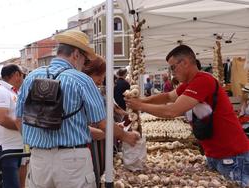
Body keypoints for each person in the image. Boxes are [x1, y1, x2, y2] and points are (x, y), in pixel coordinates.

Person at [16, 30, 140, 188]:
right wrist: (126, 136)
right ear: (76, 54)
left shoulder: (31, 77)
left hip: (39, 159)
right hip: (72, 161)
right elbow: (103, 123)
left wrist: (36, 140)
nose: (84, 64)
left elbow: (19, 119)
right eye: (85, 59)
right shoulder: (81, 80)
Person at [125, 44, 249, 187]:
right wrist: (141, 100)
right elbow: (167, 97)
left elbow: (172, 110)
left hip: (232, 156)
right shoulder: (189, 84)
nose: (172, 73)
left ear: (184, 63)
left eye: (173, 67)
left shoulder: (203, 80)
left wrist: (139, 106)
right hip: (217, 155)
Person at [82, 55, 139, 187]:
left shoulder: (96, 91)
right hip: (90, 143)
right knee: (93, 174)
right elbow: (99, 123)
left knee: (99, 170)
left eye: (103, 76)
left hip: (99, 140)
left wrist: (114, 128)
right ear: (89, 73)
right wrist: (116, 133)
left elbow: (107, 116)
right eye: (99, 75)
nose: (102, 80)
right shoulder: (85, 91)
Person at [0, 64, 25, 188]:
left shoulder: (13, 92)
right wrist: (24, 128)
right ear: (16, 75)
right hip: (6, 147)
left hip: (15, 147)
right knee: (11, 185)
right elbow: (2, 119)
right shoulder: (0, 91)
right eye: (22, 75)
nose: (23, 79)